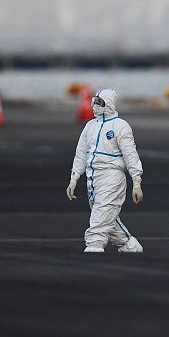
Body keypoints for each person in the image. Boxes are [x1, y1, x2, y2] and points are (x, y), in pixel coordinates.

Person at [66, 89, 144, 252]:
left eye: (99, 103)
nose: (94, 106)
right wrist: (74, 177)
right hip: (93, 179)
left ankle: (94, 247)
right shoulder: (90, 126)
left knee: (100, 220)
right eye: (94, 102)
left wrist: (137, 182)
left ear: (108, 105)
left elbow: (131, 155)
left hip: (112, 178)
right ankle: (130, 246)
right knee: (106, 217)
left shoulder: (120, 126)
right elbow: (81, 152)